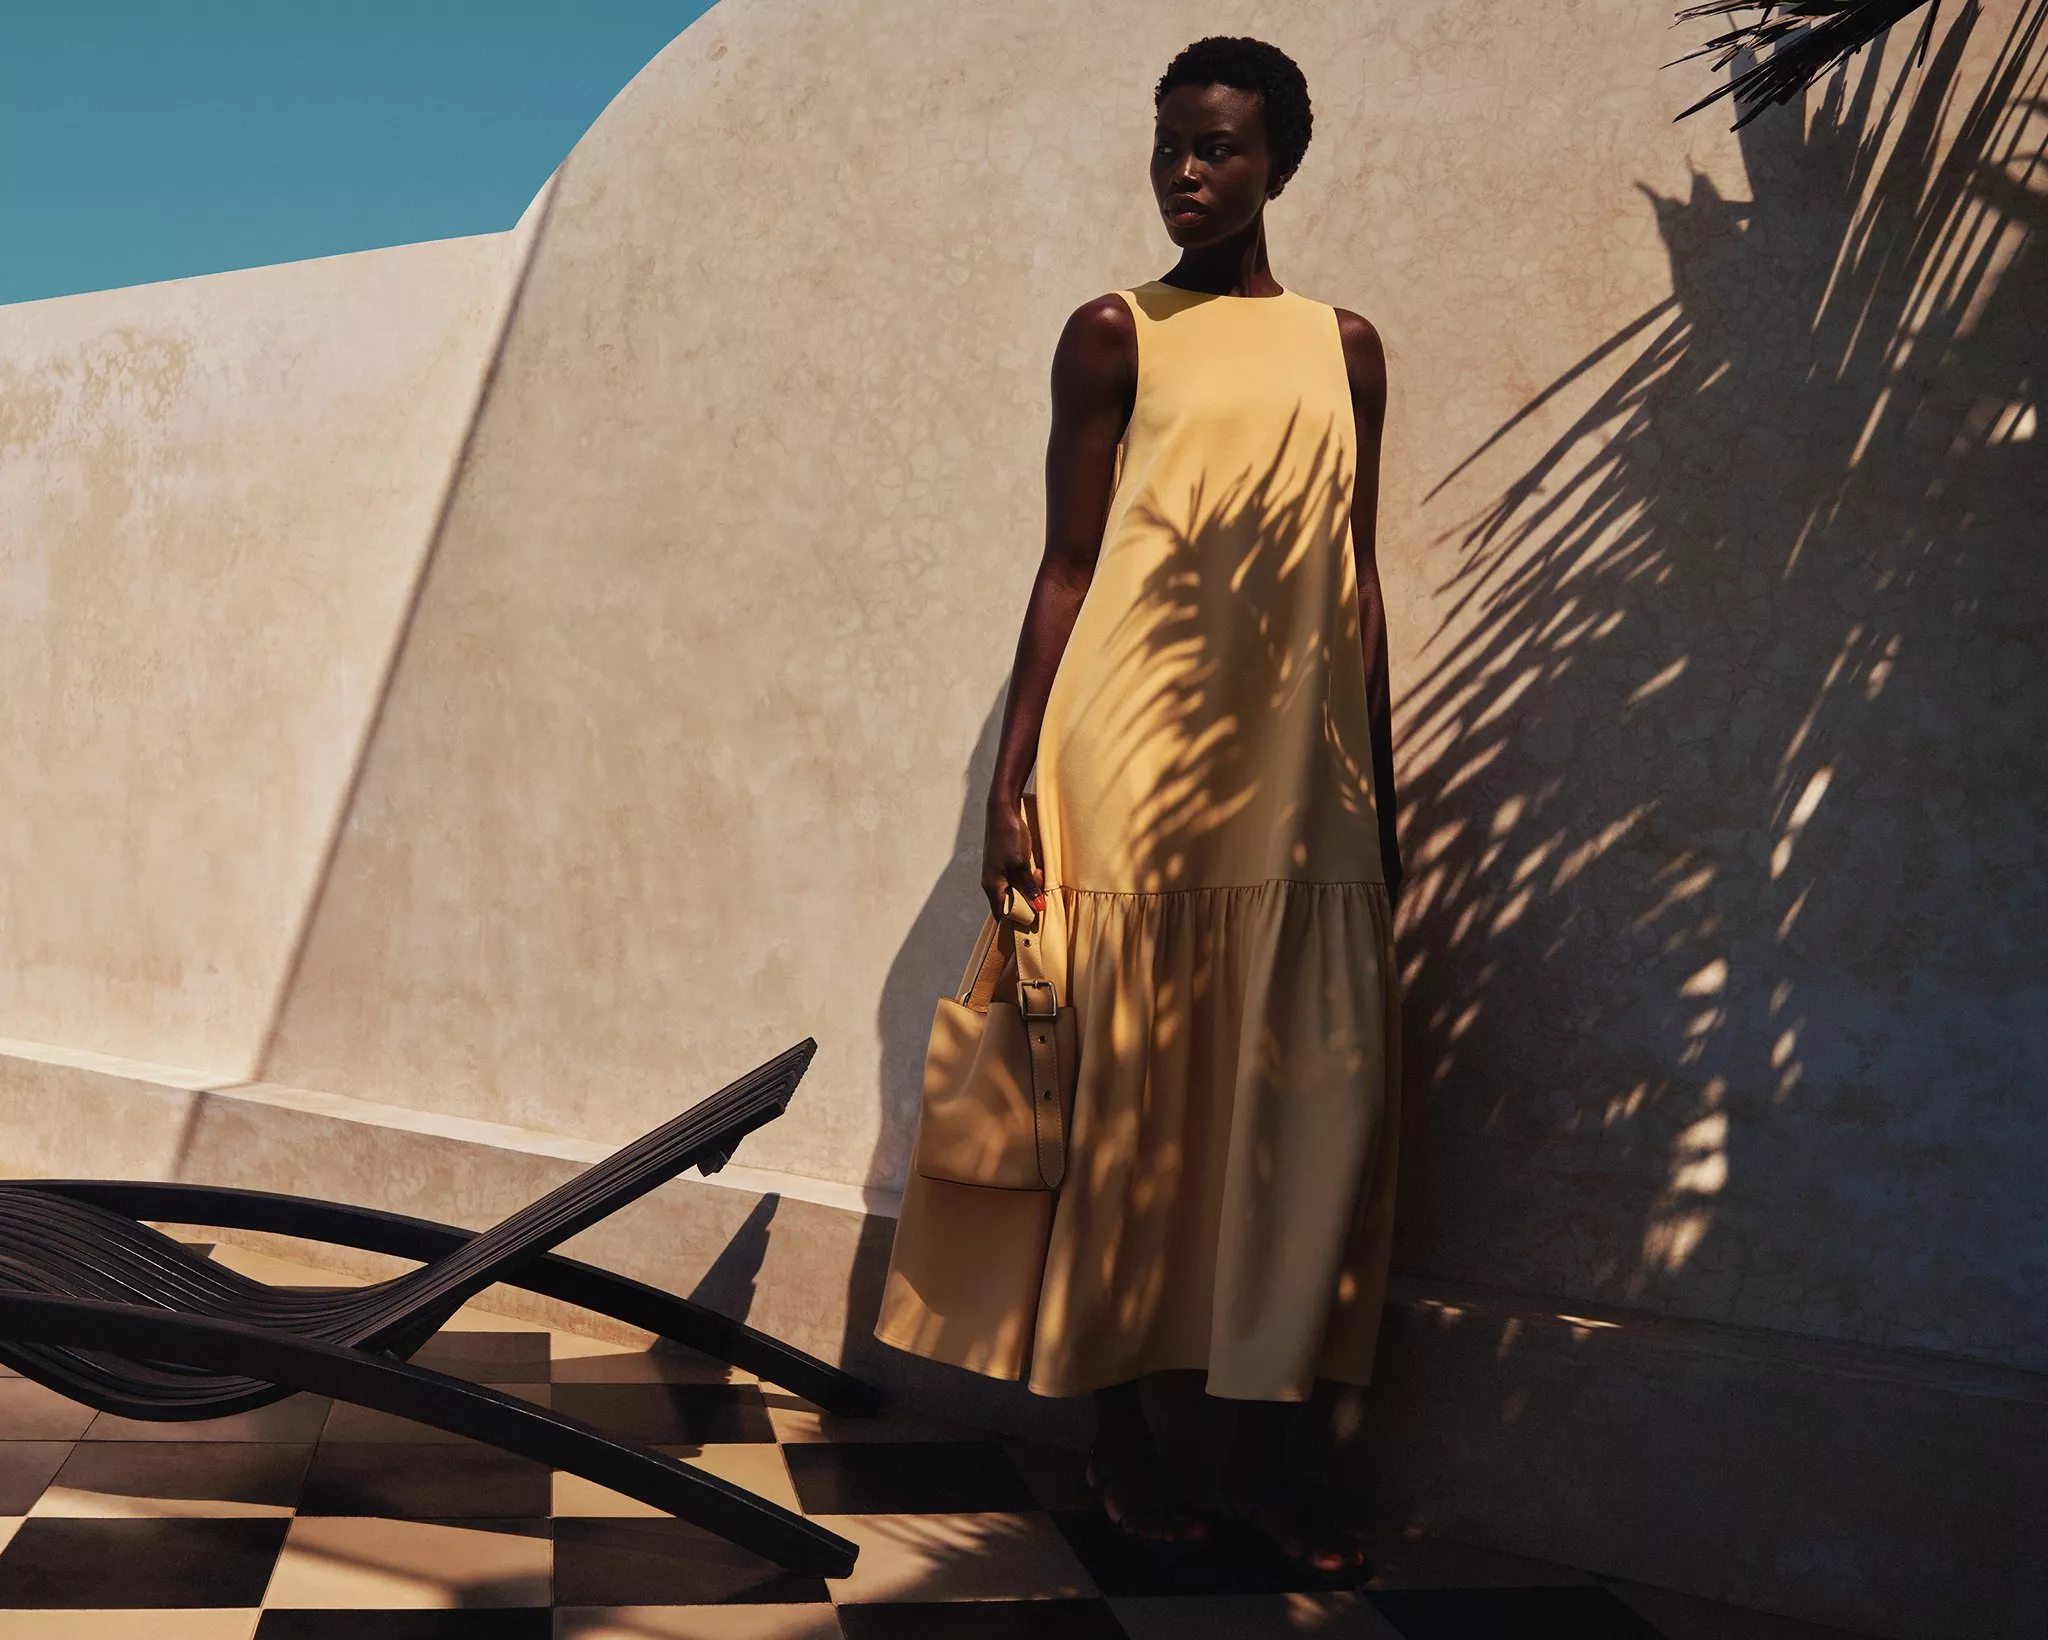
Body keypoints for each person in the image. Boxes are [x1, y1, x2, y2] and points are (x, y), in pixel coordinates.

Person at [876, 35, 1403, 1577]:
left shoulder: (1346, 346)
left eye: (1223, 147)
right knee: (1117, 1107)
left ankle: (1261, 1456)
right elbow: (1067, 565)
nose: (1189, 171)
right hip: (1126, 773)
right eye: (1172, 143)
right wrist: (1008, 782)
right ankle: (1118, 1441)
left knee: (1311, 1118)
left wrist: (1386, 783)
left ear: (1279, 162)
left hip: (1301, 794)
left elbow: (1356, 580)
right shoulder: (1114, 335)